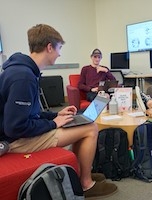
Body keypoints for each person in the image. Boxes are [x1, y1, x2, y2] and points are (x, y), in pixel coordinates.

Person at [0, 24, 117, 198]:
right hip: (15, 141)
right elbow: (15, 127)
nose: (60, 53)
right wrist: (53, 123)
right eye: (59, 48)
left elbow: (30, 113)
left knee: (78, 123)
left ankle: (79, 173)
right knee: (90, 128)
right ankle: (85, 184)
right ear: (49, 47)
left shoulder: (22, 71)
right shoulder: (23, 78)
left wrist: (57, 114)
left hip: (15, 133)